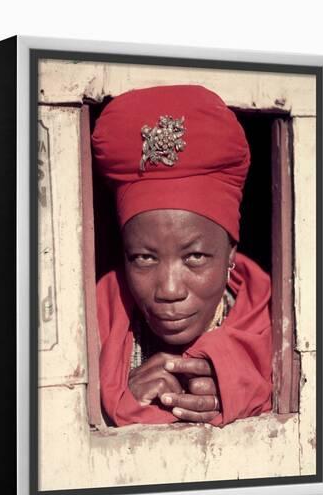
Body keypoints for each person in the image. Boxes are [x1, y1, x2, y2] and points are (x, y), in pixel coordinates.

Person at [91, 84, 272, 428]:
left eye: (196, 257)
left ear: (231, 253)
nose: (170, 289)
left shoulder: (278, 324)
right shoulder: (91, 324)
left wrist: (236, 381)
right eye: (143, 258)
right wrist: (125, 397)